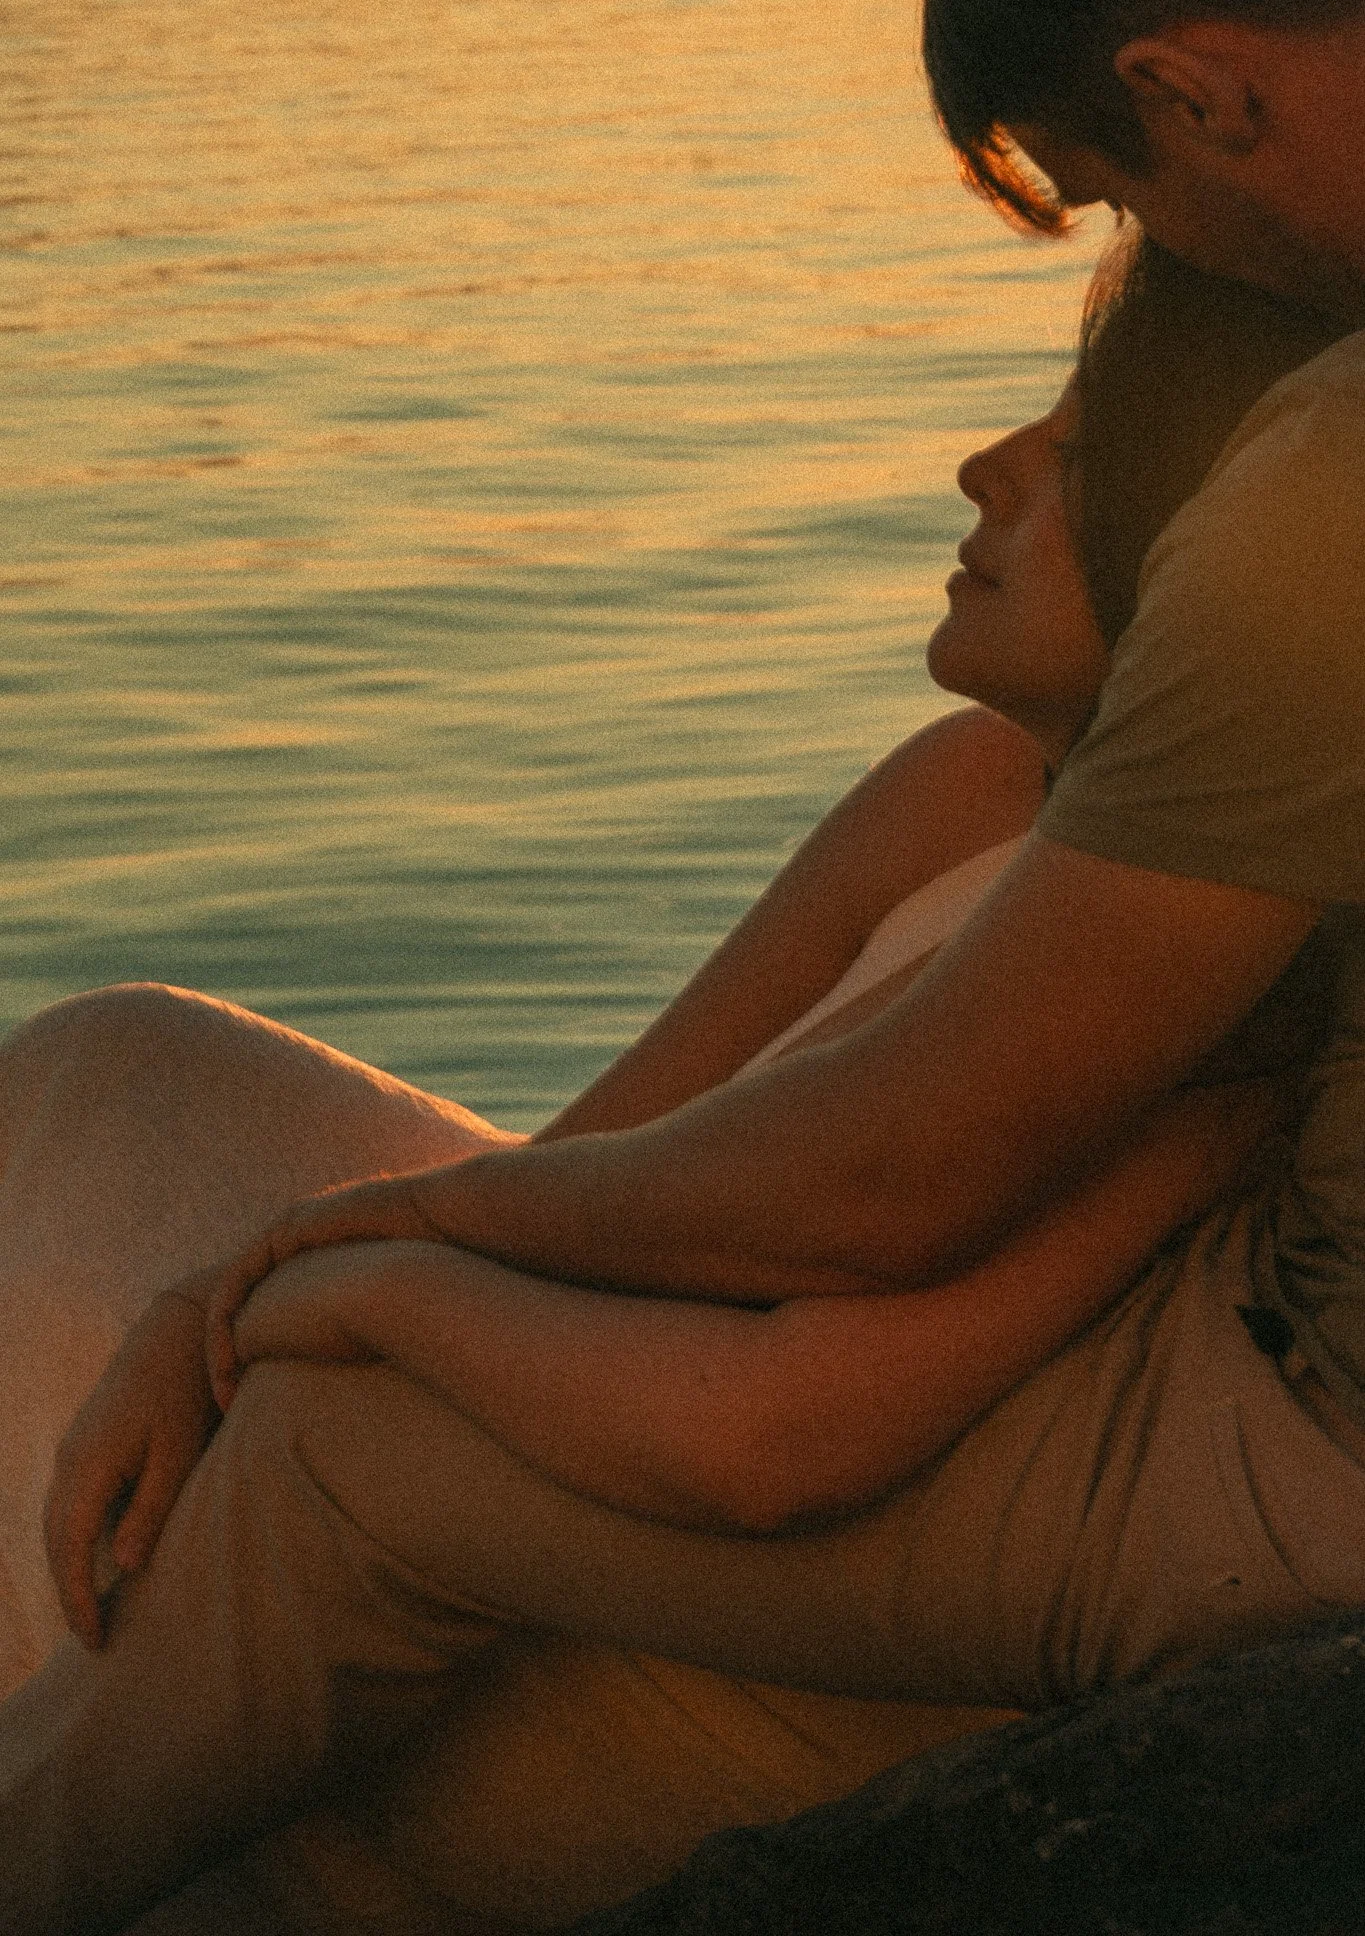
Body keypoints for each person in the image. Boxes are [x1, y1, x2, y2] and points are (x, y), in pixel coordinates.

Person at [0, 218, 1354, 1934]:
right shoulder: (969, 791)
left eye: (1080, 454)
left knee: (313, 1432)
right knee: (104, 1069)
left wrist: (314, 1299)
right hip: (613, 1476)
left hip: (757, 1656)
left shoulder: (1189, 980)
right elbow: (583, 1173)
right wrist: (249, 1290)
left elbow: (781, 1437)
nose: (986, 467)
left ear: (1214, 573)